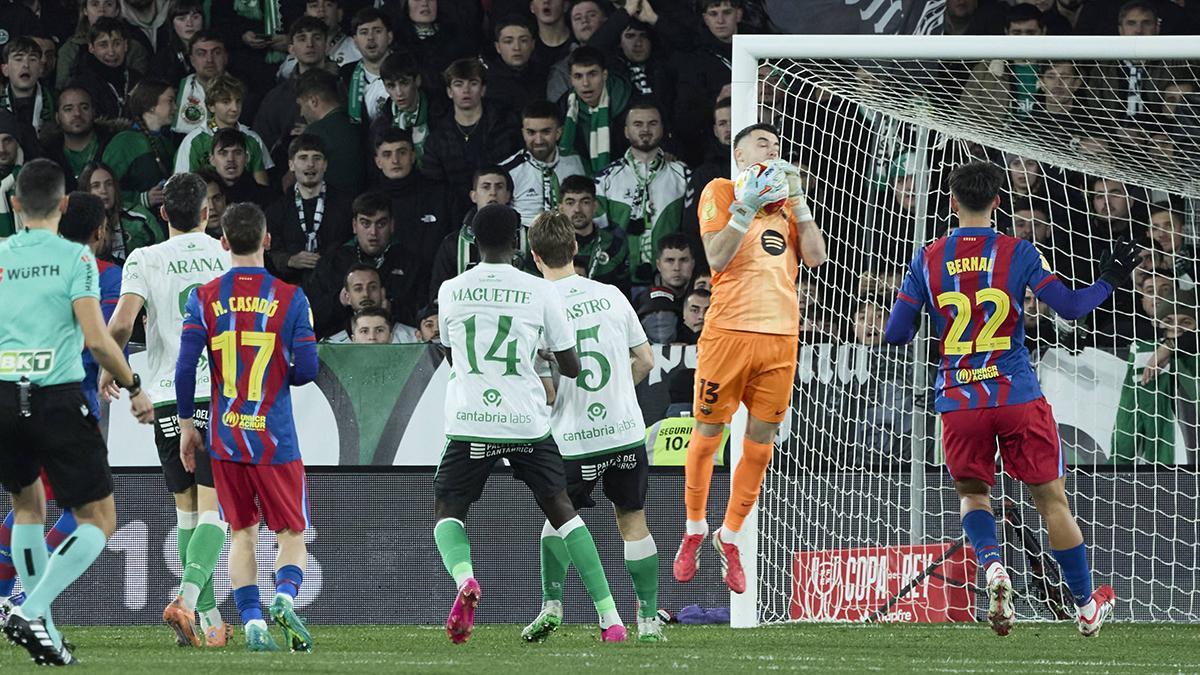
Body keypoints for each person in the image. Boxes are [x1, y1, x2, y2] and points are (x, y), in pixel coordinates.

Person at [882, 160, 1138, 637]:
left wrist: (920, 307)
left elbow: (896, 334)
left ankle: (994, 566)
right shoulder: (1019, 251)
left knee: (974, 495)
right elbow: (1073, 308)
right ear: (998, 201)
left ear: (953, 202)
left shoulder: (929, 257)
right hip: (1016, 393)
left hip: (960, 401)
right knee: (1052, 503)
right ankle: (1085, 606)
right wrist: (1109, 280)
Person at [434, 203, 626, 644]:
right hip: (525, 419)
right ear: (518, 243)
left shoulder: (451, 289)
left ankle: (465, 580)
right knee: (562, 509)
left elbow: (449, 351)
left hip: (470, 420)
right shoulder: (540, 292)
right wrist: (542, 355)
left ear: (473, 244)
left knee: (449, 509)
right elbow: (572, 366)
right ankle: (610, 618)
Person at [0, 159, 153, 666]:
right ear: (65, 205)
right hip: (57, 398)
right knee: (98, 517)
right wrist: (132, 385)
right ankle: (34, 608)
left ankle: (42, 629)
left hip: (3, 398)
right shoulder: (76, 260)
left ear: (15, 205)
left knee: (27, 508)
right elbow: (97, 340)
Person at [674, 124, 826, 593]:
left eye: (777, 146)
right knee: (707, 434)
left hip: (781, 337)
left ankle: (730, 536)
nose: (773, 150)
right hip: (727, 334)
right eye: (762, 144)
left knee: (761, 445)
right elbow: (717, 258)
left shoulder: (786, 207)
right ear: (739, 155)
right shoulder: (720, 191)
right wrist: (747, 206)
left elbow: (817, 258)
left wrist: (797, 202)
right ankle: (695, 529)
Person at [175, 202, 319, 653]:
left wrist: (186, 424)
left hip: (226, 436)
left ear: (223, 243)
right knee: (292, 534)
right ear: (267, 240)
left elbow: (184, 369)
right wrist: (283, 372)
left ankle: (253, 622)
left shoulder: (204, 297)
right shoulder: (292, 297)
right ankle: (282, 598)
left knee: (241, 533)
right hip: (275, 438)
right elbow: (309, 368)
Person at [98, 172, 231, 648]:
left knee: (187, 512)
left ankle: (208, 623)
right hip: (218, 394)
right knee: (218, 512)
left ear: (161, 214)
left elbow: (120, 323)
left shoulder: (145, 257)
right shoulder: (225, 253)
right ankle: (191, 603)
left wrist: (110, 367)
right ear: (206, 213)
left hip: (165, 395)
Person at [522, 210, 660, 642]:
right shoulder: (612, 295)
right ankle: (650, 621)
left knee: (559, 521)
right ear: (576, 247)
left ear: (534, 256)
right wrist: (617, 393)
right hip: (624, 429)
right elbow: (646, 361)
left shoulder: (535, 306)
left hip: (572, 438)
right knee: (633, 521)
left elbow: (545, 391)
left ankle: (552, 604)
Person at [594, 100, 690, 286]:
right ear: (626, 130)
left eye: (652, 123)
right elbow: (598, 233)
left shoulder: (683, 174)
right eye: (638, 124)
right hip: (618, 280)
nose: (645, 129)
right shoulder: (605, 178)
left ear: (662, 128)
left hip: (669, 281)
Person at [305, 190, 425, 337]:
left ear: (392, 225)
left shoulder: (410, 263)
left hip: (398, 343)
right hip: (340, 348)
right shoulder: (333, 261)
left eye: (381, 224)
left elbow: (425, 316)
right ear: (355, 225)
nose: (373, 232)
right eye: (365, 223)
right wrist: (339, 302)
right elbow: (309, 316)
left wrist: (392, 308)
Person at [421, 57, 521, 205]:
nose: (466, 90)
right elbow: (434, 186)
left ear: (483, 89)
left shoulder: (504, 126)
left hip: (500, 208)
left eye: (473, 83)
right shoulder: (437, 138)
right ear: (449, 91)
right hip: (453, 214)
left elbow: (517, 172)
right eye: (458, 84)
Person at [266, 134, 353, 285]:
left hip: (334, 287)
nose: (310, 164)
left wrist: (327, 261)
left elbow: (352, 246)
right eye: (303, 158)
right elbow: (268, 251)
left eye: (317, 158)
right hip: (290, 289)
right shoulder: (276, 209)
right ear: (291, 165)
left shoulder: (346, 205)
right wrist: (289, 260)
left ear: (325, 164)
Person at [173, 73, 272, 184]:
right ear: (211, 106)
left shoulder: (253, 139)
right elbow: (183, 187)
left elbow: (262, 188)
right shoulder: (193, 142)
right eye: (226, 102)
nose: (234, 108)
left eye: (238, 101)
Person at [372, 127, 451, 263]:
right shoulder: (369, 200)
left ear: (413, 156)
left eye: (402, 152)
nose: (395, 160)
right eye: (387, 154)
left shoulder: (441, 195)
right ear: (378, 162)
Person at [501, 99, 586, 225]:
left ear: (558, 133)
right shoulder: (507, 170)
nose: (538, 140)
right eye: (531, 132)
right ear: (523, 134)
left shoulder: (575, 161)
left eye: (546, 132)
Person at [101, 77, 177, 211]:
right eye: (170, 101)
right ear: (151, 105)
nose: (175, 107)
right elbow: (103, 190)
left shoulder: (166, 143)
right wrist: (143, 199)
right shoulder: (124, 143)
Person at [558, 46, 632, 175]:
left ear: (604, 75)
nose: (585, 83)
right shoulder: (564, 108)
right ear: (571, 80)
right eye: (578, 76)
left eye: (592, 74)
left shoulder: (628, 103)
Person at [295, 68, 365, 194]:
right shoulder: (361, 123)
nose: (301, 113)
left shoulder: (315, 133)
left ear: (313, 101)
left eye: (301, 105)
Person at [79, 160, 163, 261]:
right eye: (96, 186)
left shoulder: (140, 218)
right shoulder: (75, 224)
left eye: (109, 184)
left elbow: (161, 256)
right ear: (85, 191)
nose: (104, 190)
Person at [559, 173, 626, 290]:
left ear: (595, 206)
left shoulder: (614, 245)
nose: (577, 209)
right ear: (561, 208)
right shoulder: (548, 246)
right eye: (570, 203)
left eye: (585, 202)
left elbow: (624, 294)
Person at [322, 264, 419, 344]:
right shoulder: (332, 345)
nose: (366, 294)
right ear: (347, 297)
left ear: (382, 293)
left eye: (372, 287)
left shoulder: (414, 339)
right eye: (358, 289)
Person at [41, 86, 109, 192]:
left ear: (94, 112)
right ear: (57, 117)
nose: (77, 113)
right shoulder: (46, 155)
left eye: (84, 107)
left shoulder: (112, 145)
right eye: (68, 109)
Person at [170, 30, 229, 135]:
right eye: (201, 54)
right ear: (192, 60)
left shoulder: (244, 93)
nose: (209, 59)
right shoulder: (175, 92)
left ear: (225, 57)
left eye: (216, 53)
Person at [340, 7, 391, 124]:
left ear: (389, 36)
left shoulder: (407, 68)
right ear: (355, 41)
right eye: (364, 32)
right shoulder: (345, 75)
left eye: (377, 31)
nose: (370, 37)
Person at [0, 37, 54, 133]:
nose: (26, 64)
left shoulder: (55, 100)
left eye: (32, 59)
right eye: (18, 59)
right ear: (5, 69)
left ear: (40, 68)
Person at [206, 127, 272, 205]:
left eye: (237, 153)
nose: (230, 159)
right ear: (212, 159)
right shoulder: (200, 197)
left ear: (247, 158)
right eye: (223, 153)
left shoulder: (266, 197)